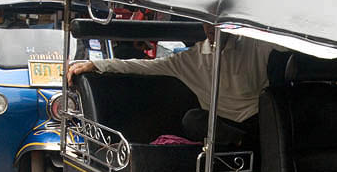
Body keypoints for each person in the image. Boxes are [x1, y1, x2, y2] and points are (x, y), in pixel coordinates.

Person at [67, 24, 280, 147]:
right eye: (207, 24)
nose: (212, 30)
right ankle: (240, 144)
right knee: (192, 119)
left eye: (217, 24)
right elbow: (145, 66)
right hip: (218, 127)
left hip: (257, 122)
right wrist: (96, 65)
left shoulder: (256, 45)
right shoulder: (192, 58)